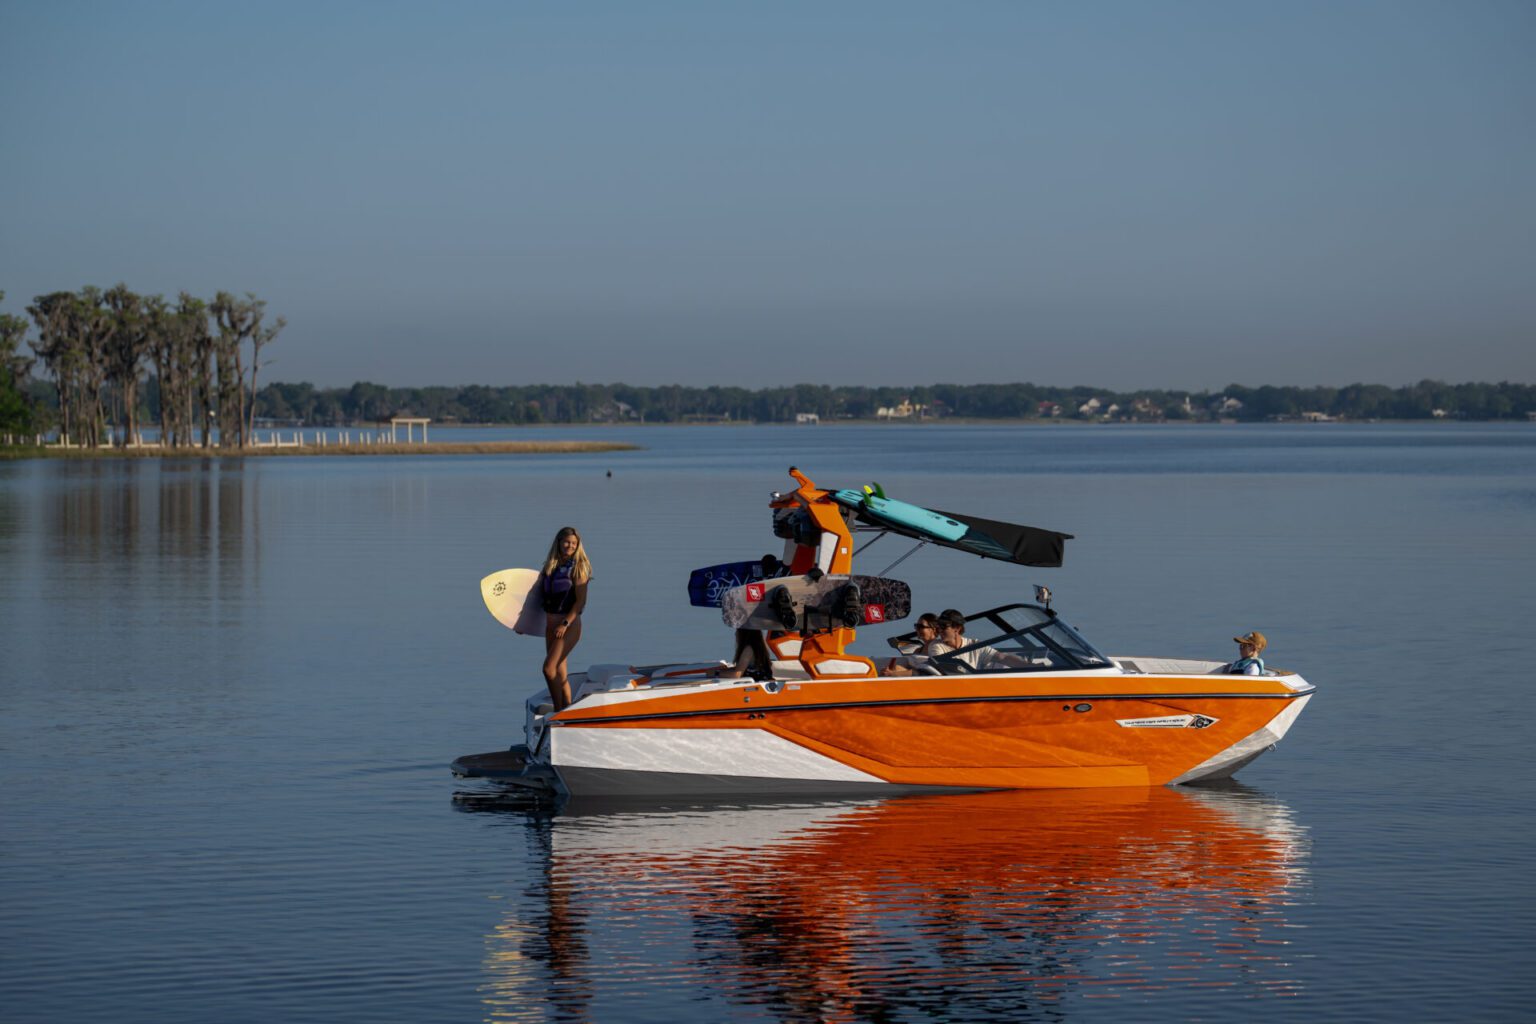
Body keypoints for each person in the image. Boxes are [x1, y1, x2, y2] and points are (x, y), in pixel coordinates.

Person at [539, 526, 591, 710]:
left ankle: (557, 710)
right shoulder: (550, 566)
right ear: (559, 542)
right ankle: (566, 711)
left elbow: (580, 602)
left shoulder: (578, 568)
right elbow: (535, 598)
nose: (570, 546)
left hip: (568, 625)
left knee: (548, 669)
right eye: (567, 542)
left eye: (574, 543)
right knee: (560, 675)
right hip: (550, 626)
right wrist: (521, 624)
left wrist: (565, 623)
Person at [928, 608, 1026, 671]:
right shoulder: (936, 646)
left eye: (943, 626)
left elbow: (1001, 657)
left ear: (957, 628)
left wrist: (1027, 665)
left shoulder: (974, 644)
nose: (939, 630)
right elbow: (945, 667)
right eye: (939, 626)